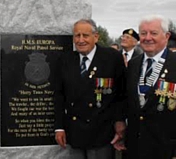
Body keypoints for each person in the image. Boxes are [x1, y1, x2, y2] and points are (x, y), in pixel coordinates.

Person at [54, 19, 126, 159]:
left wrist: (120, 121)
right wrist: (59, 127)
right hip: (75, 132)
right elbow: (59, 95)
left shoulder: (112, 58)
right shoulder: (65, 60)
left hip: (102, 132)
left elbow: (121, 94)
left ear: (96, 37)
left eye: (85, 35)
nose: (81, 40)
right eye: (77, 35)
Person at [126, 15, 176, 159]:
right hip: (136, 146)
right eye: (143, 33)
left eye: (153, 33)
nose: (148, 38)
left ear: (166, 36)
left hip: (166, 148)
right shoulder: (133, 64)